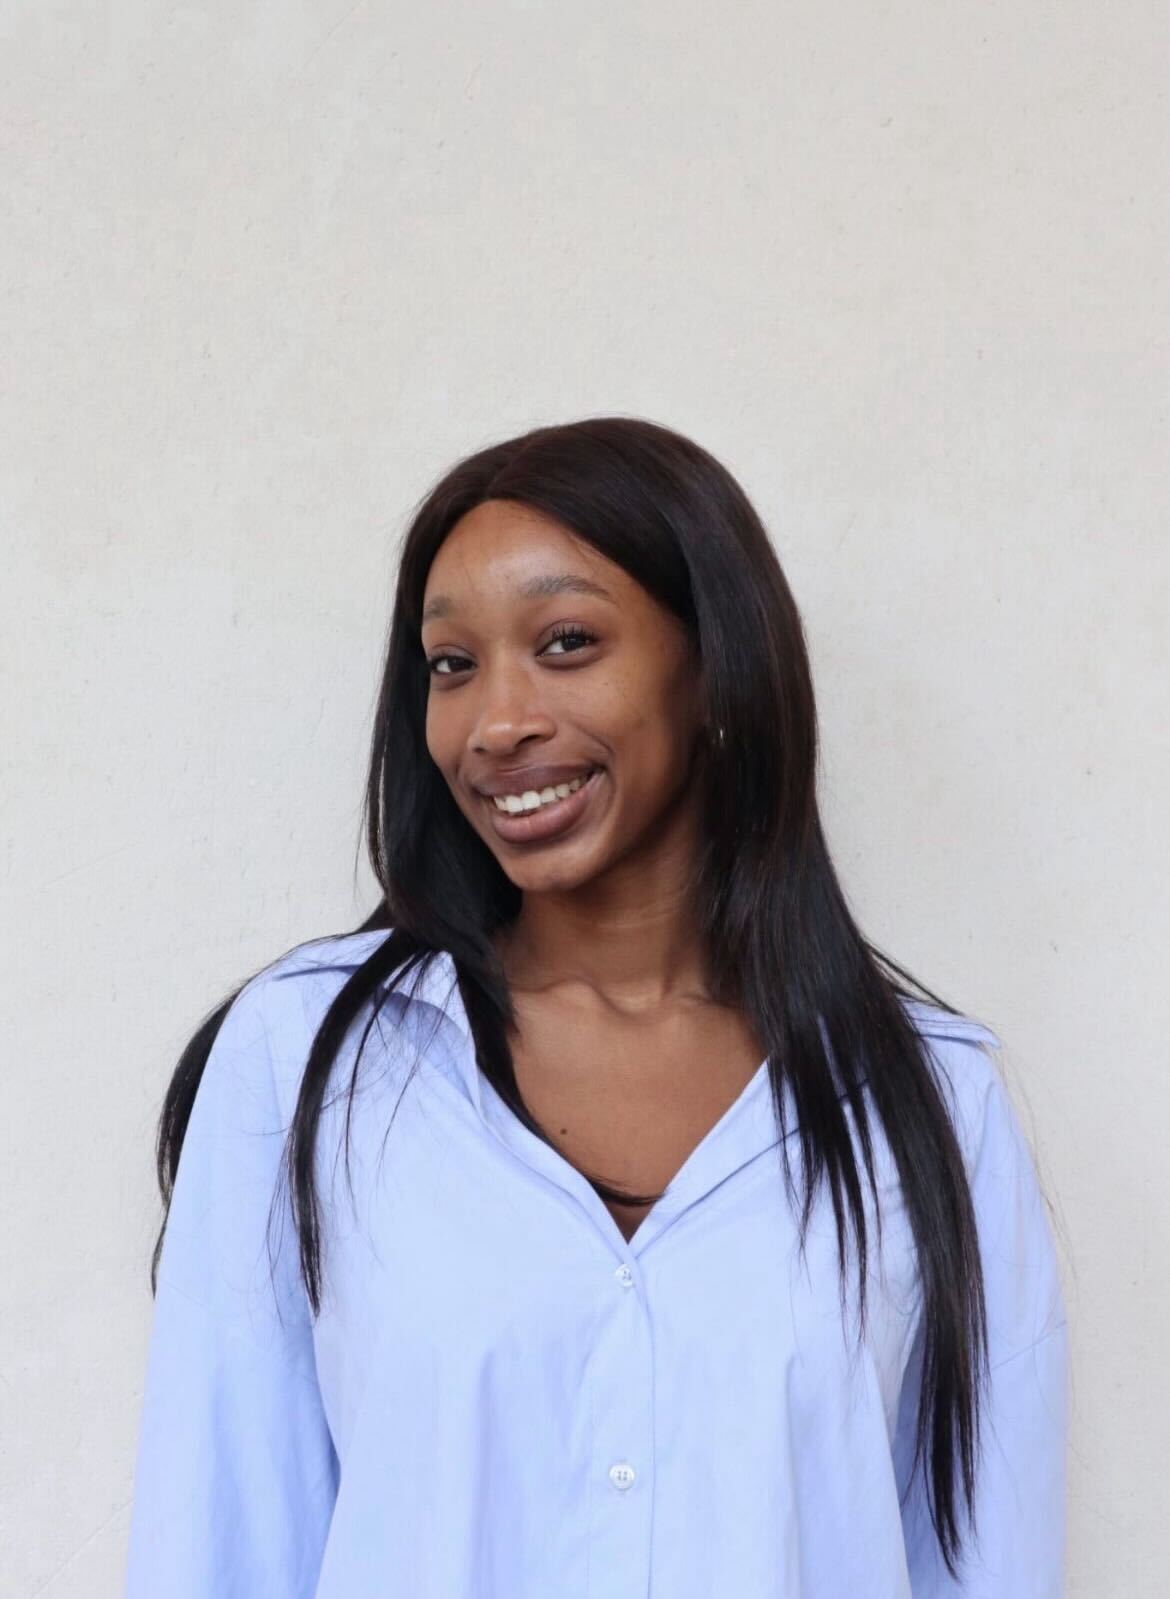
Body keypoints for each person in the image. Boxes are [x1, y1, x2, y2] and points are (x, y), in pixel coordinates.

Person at [123, 416, 1068, 1597]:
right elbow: (220, 1545)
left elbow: (988, 1565)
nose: (496, 723)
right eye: (451, 665)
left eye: (565, 643)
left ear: (715, 668)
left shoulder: (931, 1103)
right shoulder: (304, 1058)